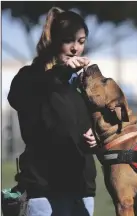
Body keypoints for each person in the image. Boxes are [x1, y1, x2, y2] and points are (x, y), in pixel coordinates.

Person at [4, 7, 99, 216]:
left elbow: (90, 122)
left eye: (81, 42)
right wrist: (62, 73)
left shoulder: (82, 84)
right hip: (44, 189)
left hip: (81, 188)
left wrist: (95, 136)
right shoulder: (29, 77)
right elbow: (25, 99)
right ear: (54, 40)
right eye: (69, 40)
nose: (75, 48)